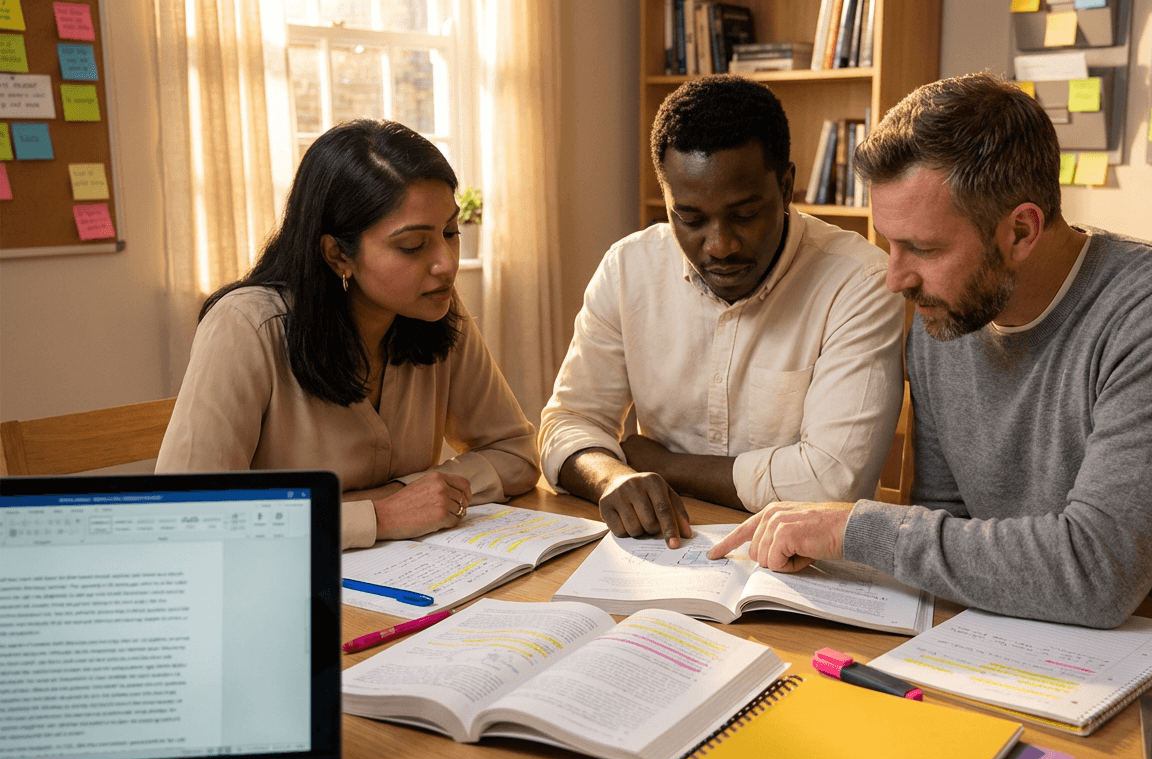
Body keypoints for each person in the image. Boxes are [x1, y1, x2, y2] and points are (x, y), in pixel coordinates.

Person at [708, 73, 1152, 628]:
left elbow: (1098, 572)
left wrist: (853, 528)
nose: (895, 279)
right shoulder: (948, 320)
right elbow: (944, 528)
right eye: (889, 244)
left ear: (1021, 232)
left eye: (923, 248)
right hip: (1027, 634)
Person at [540, 75, 904, 548]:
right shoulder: (629, 267)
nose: (719, 245)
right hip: (664, 551)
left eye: (745, 214)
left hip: (807, 566)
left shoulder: (859, 281)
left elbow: (832, 484)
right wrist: (611, 476)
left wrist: (663, 465)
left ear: (787, 185)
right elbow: (567, 421)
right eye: (689, 218)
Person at [157, 119, 539, 550]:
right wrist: (378, 514)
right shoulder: (246, 327)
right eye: (412, 246)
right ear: (338, 254)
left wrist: (401, 494)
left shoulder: (435, 310)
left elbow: (517, 453)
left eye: (451, 233)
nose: (446, 263)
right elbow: (185, 516)